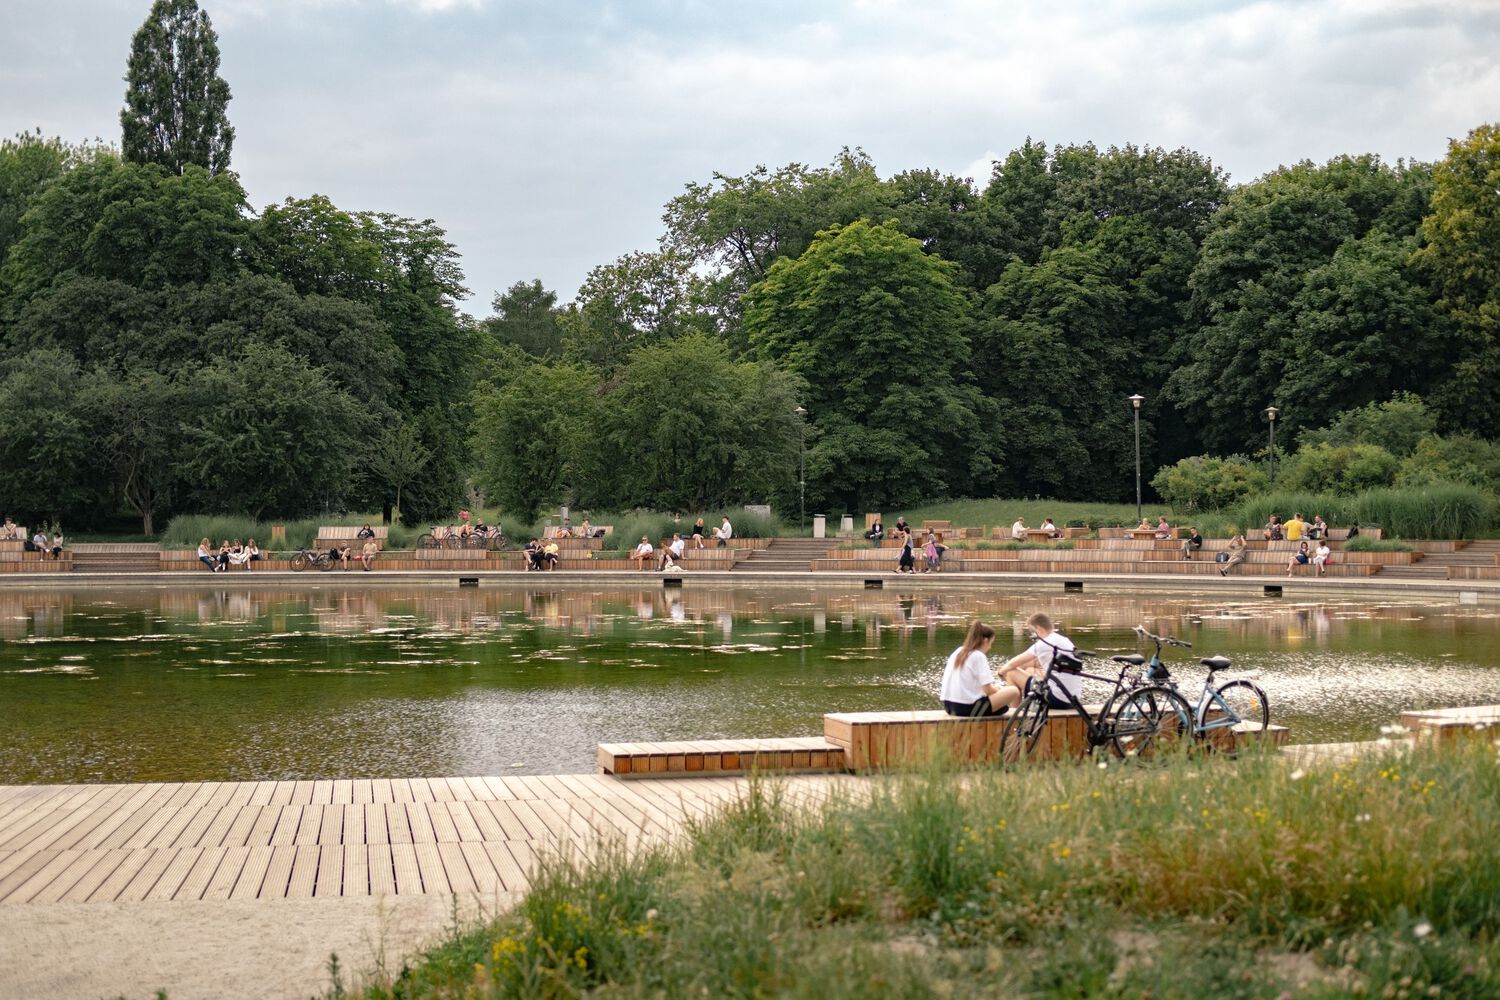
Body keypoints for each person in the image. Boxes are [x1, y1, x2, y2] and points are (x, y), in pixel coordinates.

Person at [998, 612, 1080, 710]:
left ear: (1039, 629)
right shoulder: (1063, 640)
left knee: (1010, 672)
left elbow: (1012, 663)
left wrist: (1001, 671)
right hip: (1072, 700)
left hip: (1057, 700)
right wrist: (1020, 667)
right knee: (1029, 669)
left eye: (1032, 631)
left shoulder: (1044, 643)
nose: (1033, 635)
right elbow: (1034, 662)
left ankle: (1013, 712)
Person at [939, 621, 1020, 718]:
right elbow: (988, 690)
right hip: (967, 708)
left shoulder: (958, 651)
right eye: (991, 643)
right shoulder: (978, 656)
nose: (990, 647)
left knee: (1002, 705)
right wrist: (1000, 693)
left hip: (949, 706)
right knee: (1014, 691)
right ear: (986, 640)